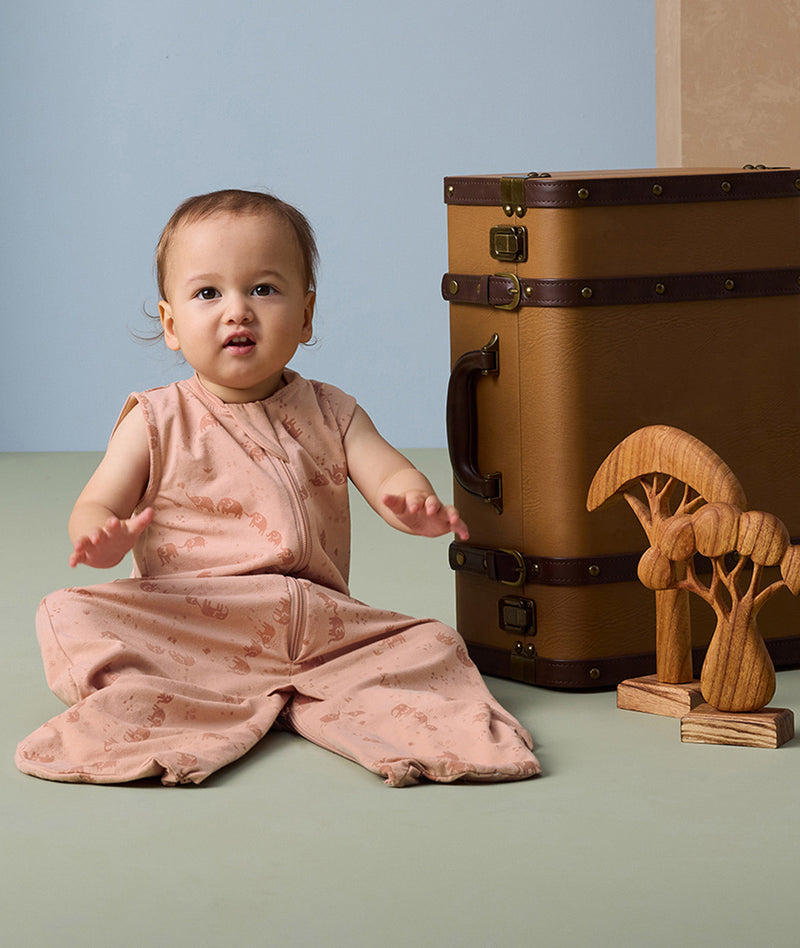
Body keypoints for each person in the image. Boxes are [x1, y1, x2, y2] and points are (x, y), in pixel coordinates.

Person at [16, 190, 540, 787]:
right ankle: (192, 698)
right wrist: (101, 537)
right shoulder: (156, 419)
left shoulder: (332, 411)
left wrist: (412, 502)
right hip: (194, 625)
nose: (237, 311)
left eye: (263, 289)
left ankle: (286, 693)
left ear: (308, 314)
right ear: (170, 324)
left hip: (318, 625)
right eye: (208, 293)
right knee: (67, 612)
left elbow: (389, 473)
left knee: (434, 641)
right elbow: (97, 503)